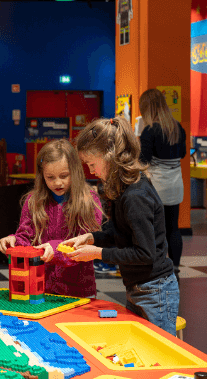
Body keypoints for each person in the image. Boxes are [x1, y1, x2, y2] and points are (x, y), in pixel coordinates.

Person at [65, 117, 179, 336]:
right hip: (140, 287)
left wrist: (97, 253)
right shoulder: (124, 188)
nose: (91, 171)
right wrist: (91, 237)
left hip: (154, 290)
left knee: (159, 347)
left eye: (92, 164)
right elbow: (119, 233)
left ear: (110, 156)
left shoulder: (135, 197)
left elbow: (145, 254)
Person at [0, 139, 103, 298]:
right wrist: (14, 242)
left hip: (77, 291)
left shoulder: (89, 200)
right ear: (42, 176)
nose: (57, 182)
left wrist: (55, 249)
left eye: (64, 176)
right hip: (39, 289)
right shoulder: (34, 201)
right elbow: (26, 237)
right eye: (50, 177)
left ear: (75, 171)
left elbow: (85, 245)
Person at [138, 88, 187, 276]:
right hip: (176, 184)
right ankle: (175, 266)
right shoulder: (177, 127)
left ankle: (156, 264)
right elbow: (183, 154)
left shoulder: (150, 130)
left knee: (154, 228)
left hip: (156, 186)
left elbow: (144, 160)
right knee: (173, 228)